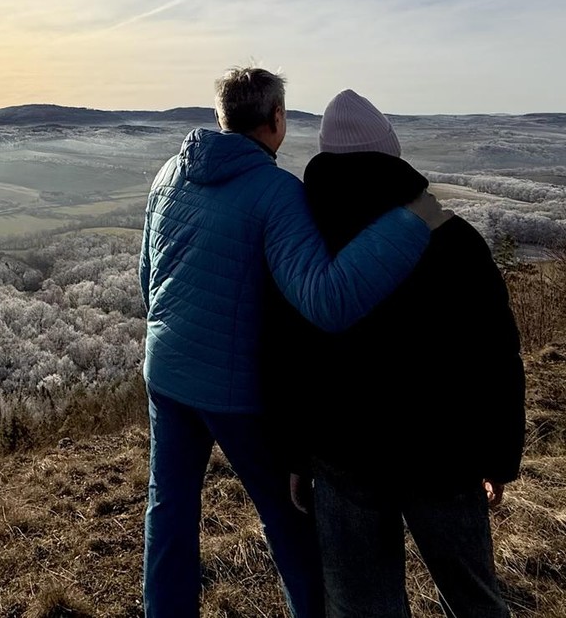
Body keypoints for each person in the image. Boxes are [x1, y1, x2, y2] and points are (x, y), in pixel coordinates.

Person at [140, 67, 451, 618]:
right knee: (288, 520)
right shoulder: (277, 191)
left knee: (169, 510)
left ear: (222, 117)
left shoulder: (170, 172)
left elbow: (149, 274)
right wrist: (414, 220)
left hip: (165, 369)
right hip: (232, 390)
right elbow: (327, 299)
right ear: (277, 120)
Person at [279, 89, 525, 618]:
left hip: (342, 455)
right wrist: (498, 457)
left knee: (363, 609)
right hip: (445, 453)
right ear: (391, 152)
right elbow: (496, 357)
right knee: (476, 600)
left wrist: (298, 456)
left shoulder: (305, 245)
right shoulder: (453, 238)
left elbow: (292, 359)